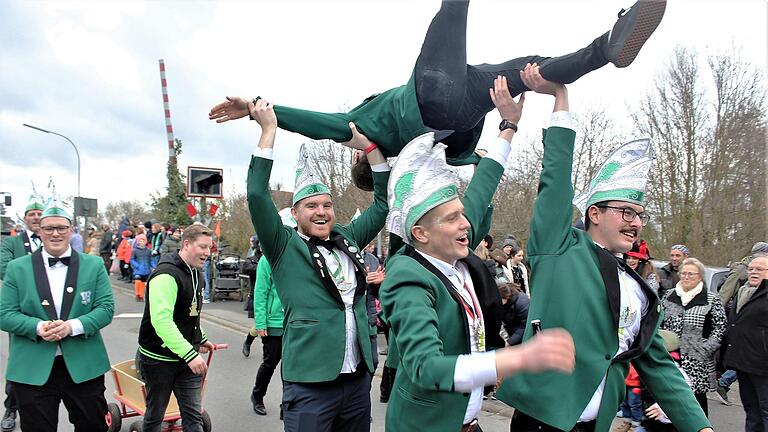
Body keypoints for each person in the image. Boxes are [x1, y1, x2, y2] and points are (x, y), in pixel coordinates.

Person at [210, 0, 666, 189]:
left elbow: (470, 160)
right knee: (454, 8)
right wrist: (256, 108)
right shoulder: (367, 135)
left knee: (533, 71)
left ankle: (608, 48)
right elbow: (323, 124)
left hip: (468, 101)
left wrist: (504, 126)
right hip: (435, 92)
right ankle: (605, 47)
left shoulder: (434, 161)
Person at [494, 65, 713, 432]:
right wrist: (560, 98)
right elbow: (555, 182)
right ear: (594, 213)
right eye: (626, 211)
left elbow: (655, 362)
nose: (636, 222)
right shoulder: (560, 249)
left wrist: (700, 426)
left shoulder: (639, 289)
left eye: (641, 215)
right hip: (541, 421)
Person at [379, 77, 575, 431]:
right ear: (420, 234)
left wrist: (509, 125)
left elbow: (484, 182)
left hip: (468, 422)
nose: (465, 224)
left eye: (462, 214)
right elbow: (426, 367)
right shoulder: (407, 276)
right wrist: (515, 358)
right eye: (453, 218)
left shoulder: (458, 253)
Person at [245, 96, 390, 432]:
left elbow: (383, 204)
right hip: (310, 385)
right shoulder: (284, 245)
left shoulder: (349, 237)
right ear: (295, 213)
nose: (321, 211)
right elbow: (256, 195)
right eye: (311, 206)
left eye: (326, 204)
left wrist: (371, 150)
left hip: (356, 381)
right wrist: (269, 129)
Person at [0, 197, 114, 432]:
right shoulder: (17, 268)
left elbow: (105, 308)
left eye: (61, 228)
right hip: (32, 369)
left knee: (93, 427)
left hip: (84, 367)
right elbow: (5, 314)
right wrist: (38, 327)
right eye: (49, 228)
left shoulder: (93, 265)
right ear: (39, 231)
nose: (55, 234)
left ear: (70, 230)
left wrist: (73, 326)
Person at [137, 223, 217, 432]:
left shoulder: (197, 274)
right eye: (202, 247)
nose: (207, 253)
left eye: (209, 248)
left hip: (185, 358)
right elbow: (162, 321)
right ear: (186, 244)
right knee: (155, 416)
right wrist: (190, 354)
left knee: (193, 416)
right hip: (158, 359)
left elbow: (190, 315)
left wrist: (200, 338)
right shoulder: (166, 275)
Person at [659, 257, 727, 416]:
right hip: (671, 358)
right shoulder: (668, 296)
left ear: (700, 277)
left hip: (698, 360)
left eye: (691, 274)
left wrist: (706, 349)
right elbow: (658, 322)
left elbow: (720, 327)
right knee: (670, 400)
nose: (686, 277)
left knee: (697, 403)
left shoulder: (711, 299)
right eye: (683, 273)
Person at [0, 194, 44, 432]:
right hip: (24, 313)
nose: (36, 218)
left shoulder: (54, 239)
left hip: (57, 314)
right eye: (32, 215)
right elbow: (5, 269)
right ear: (25, 218)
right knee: (20, 363)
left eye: (39, 214)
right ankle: (12, 407)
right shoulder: (12, 243)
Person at [723, 254, 768, 431]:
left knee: (766, 411)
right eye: (751, 269)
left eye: (759, 269)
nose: (753, 272)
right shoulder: (743, 291)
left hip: (763, 365)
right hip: (742, 362)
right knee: (751, 409)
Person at [245, 257, 284, 417]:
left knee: (291, 369)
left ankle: (287, 404)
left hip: (296, 323)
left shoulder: (300, 252)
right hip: (273, 323)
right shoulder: (267, 259)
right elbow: (261, 291)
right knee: (270, 364)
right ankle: (257, 396)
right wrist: (260, 322)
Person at [130, 234, 152, 302]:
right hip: (138, 269)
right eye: (140, 241)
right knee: (137, 281)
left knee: (143, 283)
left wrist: (154, 266)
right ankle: (137, 294)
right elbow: (132, 259)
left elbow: (151, 260)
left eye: (143, 241)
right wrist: (137, 265)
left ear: (145, 242)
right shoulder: (135, 250)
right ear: (138, 242)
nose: (142, 242)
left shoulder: (148, 251)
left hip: (146, 270)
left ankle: (141, 295)